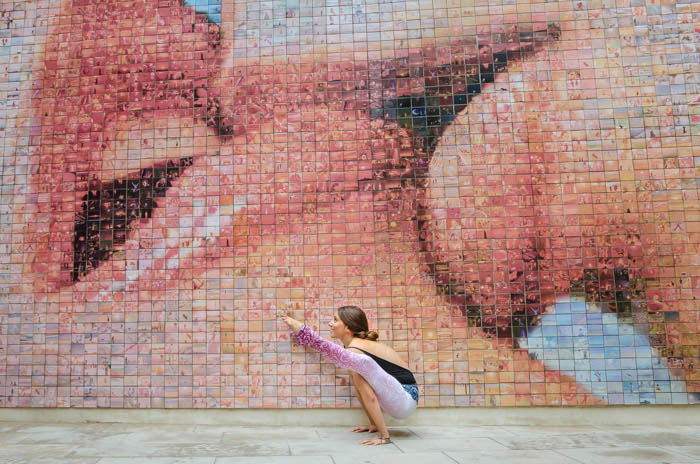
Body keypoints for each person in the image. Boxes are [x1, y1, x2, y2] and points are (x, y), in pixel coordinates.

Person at [280, 306, 418, 445]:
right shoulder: (355, 348)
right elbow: (322, 346)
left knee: (358, 372)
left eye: (335, 320)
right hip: (401, 398)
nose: (330, 324)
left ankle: (384, 436)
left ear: (347, 327)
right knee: (356, 373)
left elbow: (370, 397)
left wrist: (384, 437)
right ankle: (375, 424)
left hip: (406, 398)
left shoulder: (356, 349)